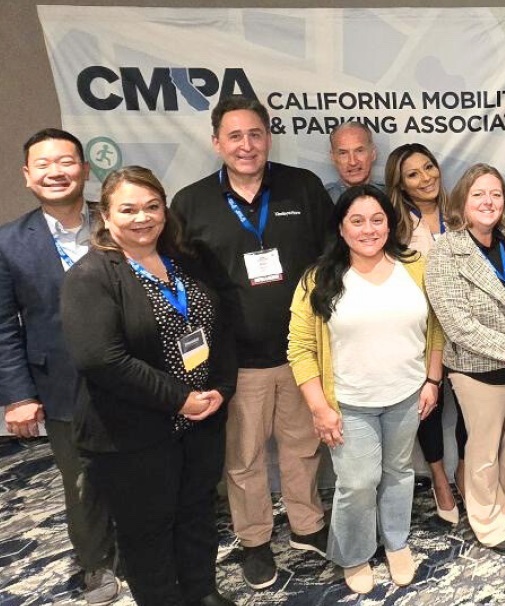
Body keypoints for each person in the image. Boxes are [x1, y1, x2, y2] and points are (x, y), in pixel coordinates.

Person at [170, 95, 334, 589]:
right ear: (217, 142)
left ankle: (307, 525)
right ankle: (256, 539)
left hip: (300, 353)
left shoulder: (302, 187)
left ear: (268, 137)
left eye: (256, 134)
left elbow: (331, 257)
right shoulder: (191, 203)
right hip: (235, 360)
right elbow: (183, 285)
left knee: (303, 447)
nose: (247, 145)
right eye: (235, 136)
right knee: (243, 459)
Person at [60, 166, 237, 606]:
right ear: (106, 215)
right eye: (129, 209)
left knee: (197, 514)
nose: (143, 218)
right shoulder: (92, 276)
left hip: (201, 421)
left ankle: (202, 592)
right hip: (134, 433)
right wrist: (180, 400)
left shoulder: (185, 260)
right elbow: (101, 359)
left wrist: (220, 388)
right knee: (147, 532)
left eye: (152, 206)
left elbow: (220, 327)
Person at [288, 184, 443, 594]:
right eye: (356, 221)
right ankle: (354, 554)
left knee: (398, 472)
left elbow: (435, 329)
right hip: (349, 404)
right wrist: (320, 409)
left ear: (390, 225)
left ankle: (396, 542)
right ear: (341, 228)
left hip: (407, 396)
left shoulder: (416, 266)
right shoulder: (317, 279)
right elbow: (300, 349)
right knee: (357, 483)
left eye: (377, 220)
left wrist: (432, 379)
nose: (368, 229)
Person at [0, 128, 119, 604]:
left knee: (138, 469)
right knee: (82, 480)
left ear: (85, 170)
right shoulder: (10, 243)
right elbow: (4, 325)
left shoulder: (117, 225)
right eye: (44, 165)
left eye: (66, 162)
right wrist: (19, 395)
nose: (56, 172)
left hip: (130, 376)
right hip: (60, 383)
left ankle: (137, 547)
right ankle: (95, 563)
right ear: (28, 176)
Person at [425, 163, 505, 556]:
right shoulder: (446, 250)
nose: (488, 201)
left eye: (495, 194)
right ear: (462, 200)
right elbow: (456, 322)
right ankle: (490, 522)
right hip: (478, 370)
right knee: (484, 447)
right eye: (478, 194)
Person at [384, 142, 467, 525]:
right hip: (419, 332)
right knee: (429, 407)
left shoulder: (461, 211)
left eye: (429, 167)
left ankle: (465, 469)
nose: (426, 178)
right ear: (400, 185)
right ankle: (438, 479)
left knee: (469, 405)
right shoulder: (394, 225)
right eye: (413, 174)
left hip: (466, 328)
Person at [324, 122, 382, 201]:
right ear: (333, 157)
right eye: (343, 153)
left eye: (359, 151)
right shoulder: (321, 199)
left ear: (373, 153)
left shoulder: (393, 196)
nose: (353, 162)